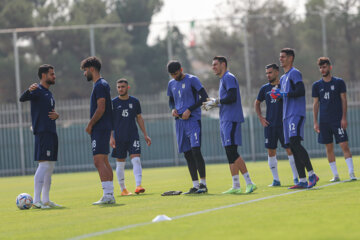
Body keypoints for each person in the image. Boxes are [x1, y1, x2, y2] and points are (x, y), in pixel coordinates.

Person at [203, 56, 256, 194]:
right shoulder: (223, 80)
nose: (213, 67)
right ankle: (236, 186)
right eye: (212, 64)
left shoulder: (228, 77)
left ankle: (250, 182)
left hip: (231, 119)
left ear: (223, 64)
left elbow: (232, 97)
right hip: (225, 120)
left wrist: (215, 102)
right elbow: (226, 100)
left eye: (215, 64)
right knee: (229, 152)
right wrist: (214, 103)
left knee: (232, 151)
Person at [270, 48, 319, 189]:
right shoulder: (284, 78)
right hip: (286, 116)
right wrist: (277, 96)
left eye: (283, 57)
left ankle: (312, 174)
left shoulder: (294, 73)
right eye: (280, 57)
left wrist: (283, 94)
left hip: (295, 114)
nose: (281, 59)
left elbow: (300, 91)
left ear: (291, 58)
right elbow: (285, 95)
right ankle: (302, 180)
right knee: (292, 146)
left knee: (295, 143)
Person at [19, 64, 62, 208]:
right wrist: (28, 90)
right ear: (44, 75)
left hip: (51, 132)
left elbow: (49, 112)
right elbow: (22, 98)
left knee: (50, 166)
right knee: (44, 164)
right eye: (52, 74)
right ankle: (36, 200)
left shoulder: (49, 93)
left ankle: (46, 200)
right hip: (42, 132)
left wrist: (57, 115)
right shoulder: (37, 90)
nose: (54, 76)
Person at [167, 60, 209, 194]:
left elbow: (205, 97)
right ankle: (195, 185)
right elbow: (171, 100)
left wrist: (190, 110)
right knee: (187, 154)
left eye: (176, 73)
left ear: (181, 69)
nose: (174, 76)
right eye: (172, 74)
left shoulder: (192, 80)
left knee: (196, 151)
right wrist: (173, 109)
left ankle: (203, 184)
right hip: (179, 122)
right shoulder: (171, 84)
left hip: (193, 120)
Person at [312, 57, 356, 181]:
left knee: (344, 145)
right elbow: (316, 104)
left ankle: (351, 173)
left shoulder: (339, 82)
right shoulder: (316, 85)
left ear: (330, 67)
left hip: (337, 120)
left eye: (324, 67)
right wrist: (315, 122)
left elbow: (344, 100)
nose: (322, 69)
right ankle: (335, 175)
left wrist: (344, 118)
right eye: (320, 67)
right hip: (324, 122)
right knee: (329, 147)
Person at [254, 63, 298, 186]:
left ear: (277, 72)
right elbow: (257, 103)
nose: (268, 75)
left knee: (289, 149)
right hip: (270, 125)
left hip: (283, 124)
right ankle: (276, 180)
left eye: (270, 72)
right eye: (267, 73)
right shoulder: (264, 88)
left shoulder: (284, 85)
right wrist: (261, 118)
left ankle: (296, 178)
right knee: (271, 151)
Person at [81, 56, 115, 205]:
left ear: (92, 69)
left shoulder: (100, 85)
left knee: (98, 160)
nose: (84, 73)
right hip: (103, 127)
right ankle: (110, 194)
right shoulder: (101, 84)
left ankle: (108, 195)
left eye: (85, 70)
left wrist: (90, 124)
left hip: (100, 128)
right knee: (104, 160)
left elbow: (101, 108)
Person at [110, 79, 152, 196]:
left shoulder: (134, 101)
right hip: (119, 137)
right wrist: (111, 137)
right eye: (118, 87)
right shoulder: (113, 103)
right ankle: (123, 189)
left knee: (136, 160)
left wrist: (145, 134)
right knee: (120, 164)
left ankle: (138, 186)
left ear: (127, 88)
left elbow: (139, 118)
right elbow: (109, 121)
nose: (120, 89)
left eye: (122, 87)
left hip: (133, 135)